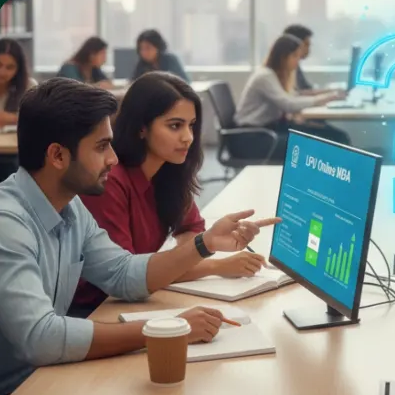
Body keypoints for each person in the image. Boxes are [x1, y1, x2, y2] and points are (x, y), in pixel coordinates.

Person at [0, 78, 279, 395]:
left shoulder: (71, 206)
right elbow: (40, 338)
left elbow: (123, 273)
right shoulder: (4, 223)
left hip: (39, 378)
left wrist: (205, 244)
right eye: (101, 147)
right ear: (57, 155)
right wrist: (166, 329)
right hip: (5, 393)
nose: (113, 159)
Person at [73, 74, 267, 316]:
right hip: (97, 309)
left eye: (191, 125)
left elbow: (191, 229)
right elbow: (131, 275)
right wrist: (213, 265)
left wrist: (190, 255)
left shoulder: (169, 171)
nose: (188, 137)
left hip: (137, 300)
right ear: (141, 128)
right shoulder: (111, 181)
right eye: (175, 125)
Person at [236, 34, 348, 152]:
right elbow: (288, 104)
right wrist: (327, 98)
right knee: (323, 142)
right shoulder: (265, 76)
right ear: (282, 57)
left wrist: (326, 96)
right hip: (253, 138)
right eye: (294, 56)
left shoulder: (277, 75)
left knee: (335, 135)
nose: (297, 61)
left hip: (270, 130)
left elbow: (295, 96)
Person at [0, 38, 29, 129]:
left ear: (18, 70)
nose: (2, 72)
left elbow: (40, 120)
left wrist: (13, 119)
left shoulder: (29, 87)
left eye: (9, 67)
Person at [284, 24, 318, 90]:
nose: (308, 49)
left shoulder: (295, 65)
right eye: (306, 45)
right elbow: (298, 94)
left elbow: (306, 89)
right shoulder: (285, 68)